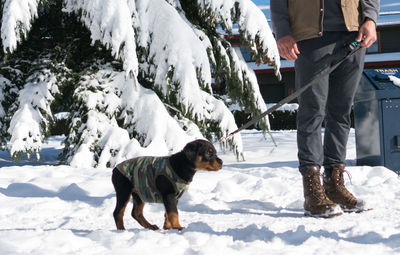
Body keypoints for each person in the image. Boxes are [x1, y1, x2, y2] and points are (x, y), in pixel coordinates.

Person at [270, 0, 380, 217]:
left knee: (341, 112)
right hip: (310, 36)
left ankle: (334, 184)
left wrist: (370, 19)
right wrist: (283, 32)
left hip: (353, 34)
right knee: (312, 110)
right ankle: (312, 189)